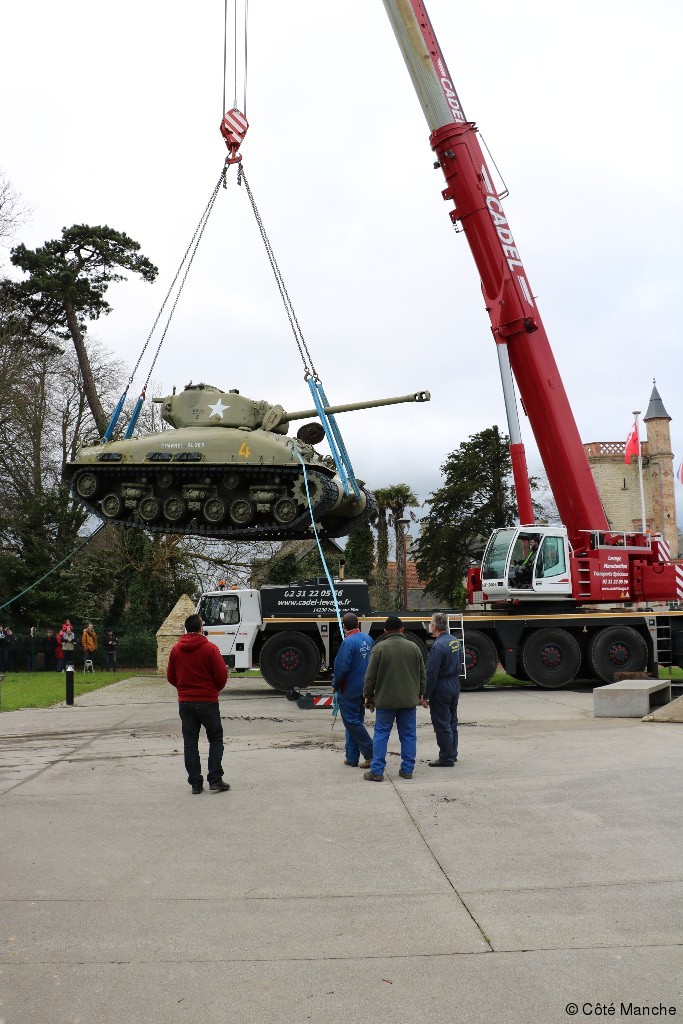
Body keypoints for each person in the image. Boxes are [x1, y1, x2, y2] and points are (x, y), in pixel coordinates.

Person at [167, 613, 229, 794]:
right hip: (208, 701)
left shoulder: (176, 649)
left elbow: (171, 676)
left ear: (186, 629)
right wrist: (214, 689)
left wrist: (183, 689)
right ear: (201, 628)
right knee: (215, 739)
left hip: (185, 702)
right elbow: (221, 675)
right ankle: (215, 780)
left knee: (190, 741)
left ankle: (195, 783)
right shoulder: (210, 648)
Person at [362, 615, 426, 781]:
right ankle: (407, 769)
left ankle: (376, 771)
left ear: (384, 631)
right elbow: (422, 674)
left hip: (385, 701)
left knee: (381, 734)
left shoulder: (379, 648)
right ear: (402, 629)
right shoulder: (414, 647)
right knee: (408, 735)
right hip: (408, 700)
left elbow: (370, 677)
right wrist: (421, 693)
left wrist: (368, 696)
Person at [332, 612, 374, 769]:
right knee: (356, 722)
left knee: (351, 721)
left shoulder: (347, 643)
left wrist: (335, 684)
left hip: (350, 688)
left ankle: (371, 752)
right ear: (358, 624)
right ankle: (351, 757)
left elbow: (342, 667)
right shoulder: (368, 639)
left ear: (344, 627)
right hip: (365, 687)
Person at [424, 612, 462, 768]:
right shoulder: (455, 641)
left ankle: (446, 757)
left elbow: (431, 674)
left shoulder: (438, 646)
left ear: (434, 626)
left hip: (442, 687)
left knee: (441, 723)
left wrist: (425, 695)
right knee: (452, 720)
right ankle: (452, 753)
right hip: (454, 684)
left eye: (430, 624)